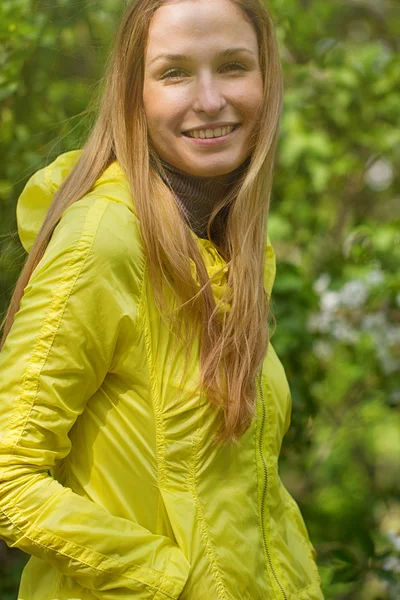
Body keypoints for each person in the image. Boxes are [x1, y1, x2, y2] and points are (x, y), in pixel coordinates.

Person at [0, 0, 324, 598]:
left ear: (266, 79)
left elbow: (246, 499)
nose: (208, 99)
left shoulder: (231, 250)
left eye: (232, 66)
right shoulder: (104, 240)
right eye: (174, 72)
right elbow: (7, 476)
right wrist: (166, 582)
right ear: (134, 95)